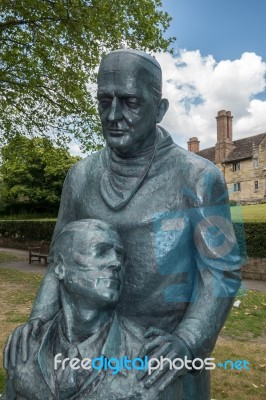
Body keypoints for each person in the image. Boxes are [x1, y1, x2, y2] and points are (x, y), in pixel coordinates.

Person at [5, 49, 241, 400]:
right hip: (83, 353)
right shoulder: (81, 176)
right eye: (104, 101)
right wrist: (39, 321)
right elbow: (59, 262)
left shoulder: (199, 178)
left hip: (158, 362)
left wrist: (187, 342)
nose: (113, 115)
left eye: (130, 101)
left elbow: (221, 272)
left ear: (159, 109)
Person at [3, 219, 181, 399]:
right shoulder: (26, 348)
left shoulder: (151, 360)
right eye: (100, 251)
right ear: (60, 268)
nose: (116, 262)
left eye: (120, 256)